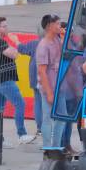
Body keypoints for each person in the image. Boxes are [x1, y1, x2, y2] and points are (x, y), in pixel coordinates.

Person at [0, 17, 30, 146]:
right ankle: (22, 134)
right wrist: (15, 42)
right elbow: (15, 54)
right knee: (20, 104)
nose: (7, 28)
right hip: (4, 80)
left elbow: (13, 53)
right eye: (4, 26)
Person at [34, 14, 66, 148]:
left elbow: (63, 53)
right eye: (57, 24)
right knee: (47, 117)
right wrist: (49, 93)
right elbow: (42, 71)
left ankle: (56, 146)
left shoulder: (57, 40)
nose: (60, 26)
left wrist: (63, 37)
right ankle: (47, 148)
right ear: (49, 26)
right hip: (49, 87)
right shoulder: (43, 45)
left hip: (59, 86)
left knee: (62, 117)